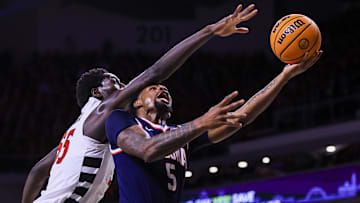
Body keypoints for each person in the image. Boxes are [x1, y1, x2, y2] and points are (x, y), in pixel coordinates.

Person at [21, 3, 259, 203]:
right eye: (114, 82)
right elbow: (155, 72)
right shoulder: (102, 110)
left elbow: (38, 171)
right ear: (97, 93)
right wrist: (209, 31)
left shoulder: (75, 134)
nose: (123, 87)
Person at [105, 51, 323, 203]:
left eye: (164, 88)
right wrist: (201, 122)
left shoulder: (179, 135)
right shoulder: (121, 120)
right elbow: (147, 149)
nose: (162, 88)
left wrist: (284, 76)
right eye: (153, 88)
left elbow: (240, 118)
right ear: (137, 102)